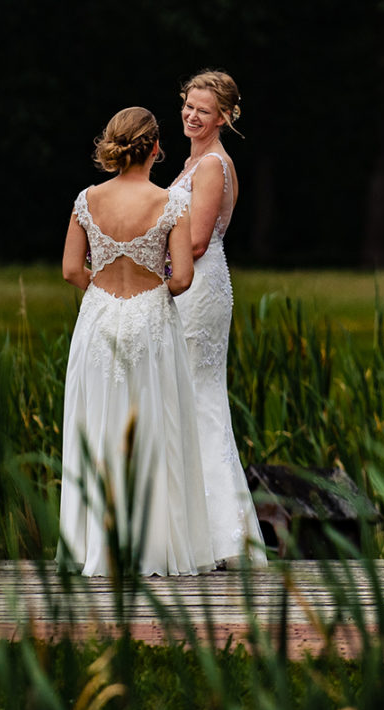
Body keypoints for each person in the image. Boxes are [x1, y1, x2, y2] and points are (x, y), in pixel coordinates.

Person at [58, 107, 215, 577]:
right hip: (151, 320)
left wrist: (104, 296)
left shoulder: (87, 199)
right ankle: (154, 547)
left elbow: (70, 270)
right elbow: (183, 278)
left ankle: (96, 547)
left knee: (96, 424)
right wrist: (149, 296)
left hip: (99, 319)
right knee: (155, 428)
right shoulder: (169, 202)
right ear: (153, 147)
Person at [170, 70, 267, 568]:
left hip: (198, 285)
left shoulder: (211, 165)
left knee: (197, 399)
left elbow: (197, 240)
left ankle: (218, 537)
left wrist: (141, 263)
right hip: (192, 282)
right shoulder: (195, 162)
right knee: (190, 400)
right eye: (188, 106)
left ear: (224, 117)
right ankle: (202, 532)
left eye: (202, 110)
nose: (191, 115)